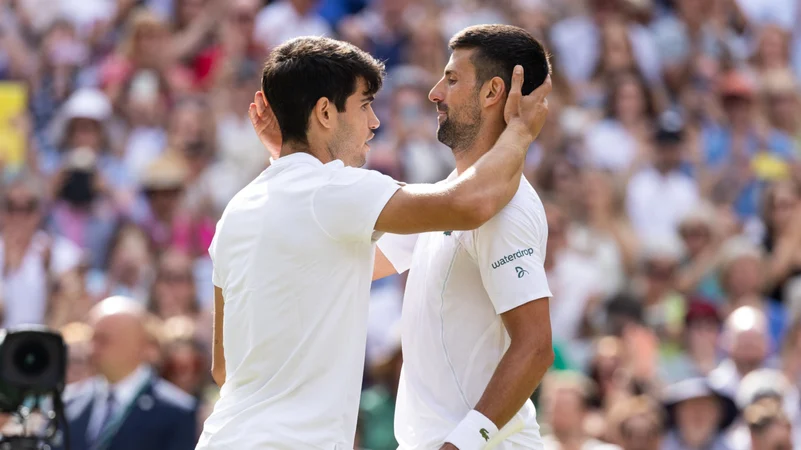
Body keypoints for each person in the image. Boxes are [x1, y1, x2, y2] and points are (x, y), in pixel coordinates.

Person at [198, 36, 552, 450]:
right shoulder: (335, 193)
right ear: (325, 112)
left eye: (451, 79)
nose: (375, 122)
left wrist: (293, 159)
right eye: (365, 105)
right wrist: (523, 131)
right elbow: (470, 203)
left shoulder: (242, 209)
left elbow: (224, 368)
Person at [373, 25, 555, 450]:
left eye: (452, 79)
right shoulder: (451, 197)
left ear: (493, 92)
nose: (435, 92)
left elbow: (535, 346)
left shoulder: (505, 210)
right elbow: (361, 265)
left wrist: (460, 445)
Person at [56, 296, 198, 450]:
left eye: (103, 340)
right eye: (92, 339)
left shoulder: (175, 412)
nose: (92, 349)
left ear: (139, 344)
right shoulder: (68, 405)